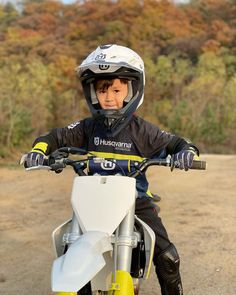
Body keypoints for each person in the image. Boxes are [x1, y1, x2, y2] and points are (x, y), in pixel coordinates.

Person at [23, 44, 200, 295]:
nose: (108, 97)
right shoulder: (87, 127)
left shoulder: (143, 131)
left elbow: (178, 143)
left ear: (132, 90)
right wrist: (38, 151)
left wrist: (186, 154)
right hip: (92, 203)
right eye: (102, 90)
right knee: (70, 248)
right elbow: (54, 136)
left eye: (116, 90)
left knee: (167, 255)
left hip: (136, 201)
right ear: (92, 93)